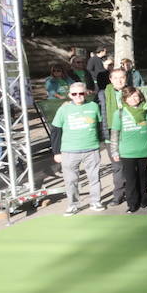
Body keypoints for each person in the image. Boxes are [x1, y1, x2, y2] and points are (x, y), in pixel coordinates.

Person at [50, 81, 105, 215]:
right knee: (71, 180)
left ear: (86, 93)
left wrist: (100, 142)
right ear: (70, 95)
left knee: (94, 178)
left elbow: (99, 125)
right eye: (74, 94)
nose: (78, 96)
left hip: (91, 149)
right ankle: (73, 204)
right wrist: (56, 152)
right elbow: (56, 130)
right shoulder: (64, 109)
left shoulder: (93, 106)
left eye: (81, 93)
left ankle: (95, 201)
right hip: (69, 150)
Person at [109, 85, 147, 212]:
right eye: (129, 96)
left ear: (140, 97)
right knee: (130, 179)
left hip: (144, 149)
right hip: (127, 152)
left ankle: (144, 200)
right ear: (125, 99)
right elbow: (115, 133)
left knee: (143, 176)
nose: (133, 99)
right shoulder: (119, 113)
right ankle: (132, 204)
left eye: (135, 96)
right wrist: (114, 151)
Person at [97, 67, 131, 207]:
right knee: (117, 167)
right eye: (115, 78)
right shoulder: (103, 94)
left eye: (122, 77)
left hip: (129, 134)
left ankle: (131, 193)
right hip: (111, 135)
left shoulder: (132, 92)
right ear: (110, 79)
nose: (119, 80)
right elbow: (96, 112)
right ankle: (118, 194)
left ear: (126, 78)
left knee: (130, 166)